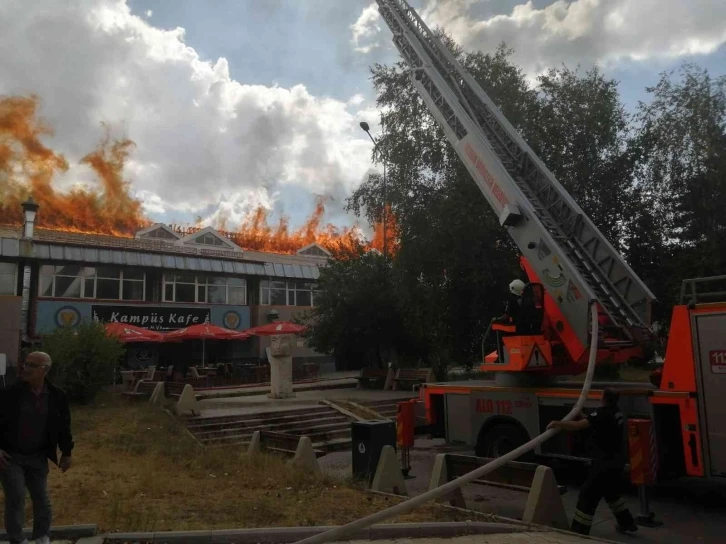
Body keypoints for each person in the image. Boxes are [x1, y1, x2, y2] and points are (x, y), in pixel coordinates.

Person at [0, 352, 74, 544]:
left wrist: (66, 452)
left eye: (33, 365)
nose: (26, 368)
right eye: (26, 364)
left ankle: (42, 536)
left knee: (41, 497)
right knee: (16, 496)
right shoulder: (10, 393)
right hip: (11, 456)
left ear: (45, 370)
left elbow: (64, 426)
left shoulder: (57, 396)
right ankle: (17, 539)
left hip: (38, 456)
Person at [547, 387, 637, 536]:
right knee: (610, 492)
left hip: (603, 464)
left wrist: (558, 423)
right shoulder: (616, 410)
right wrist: (580, 412)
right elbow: (593, 420)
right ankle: (627, 523)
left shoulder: (602, 414)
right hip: (616, 462)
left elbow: (578, 426)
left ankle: (579, 532)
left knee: (587, 495)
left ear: (604, 397)